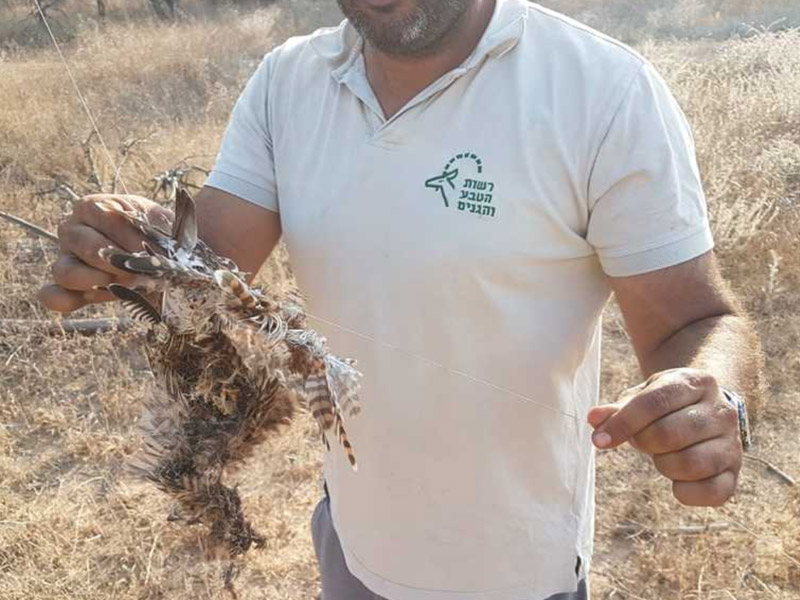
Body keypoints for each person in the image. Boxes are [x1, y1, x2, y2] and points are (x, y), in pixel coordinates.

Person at [39, 0, 763, 598]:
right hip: (352, 538)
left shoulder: (601, 90)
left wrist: (715, 398)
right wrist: (134, 248)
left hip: (512, 566)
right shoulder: (289, 81)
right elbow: (210, 270)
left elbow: (696, 319)